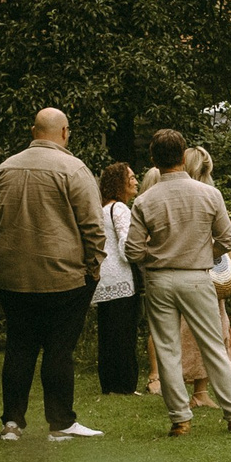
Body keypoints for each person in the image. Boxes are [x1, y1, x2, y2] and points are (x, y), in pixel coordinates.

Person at [0, 107, 106, 443]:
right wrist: (93, 267)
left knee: (19, 347)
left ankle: (12, 423)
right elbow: (93, 227)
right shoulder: (74, 169)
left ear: (32, 130)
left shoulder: (4, 169)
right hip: (63, 275)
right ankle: (60, 422)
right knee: (58, 349)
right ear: (65, 132)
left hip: (13, 276)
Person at [129, 128, 231, 434]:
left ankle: (180, 418)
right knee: (213, 346)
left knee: (168, 349)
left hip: (160, 279)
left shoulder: (145, 200)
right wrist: (203, 253)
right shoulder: (210, 194)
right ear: (183, 157)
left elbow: (132, 249)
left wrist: (154, 256)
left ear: (154, 159)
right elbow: (227, 238)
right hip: (197, 275)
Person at [93, 162, 142, 394]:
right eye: (131, 177)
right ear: (119, 183)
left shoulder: (102, 209)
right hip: (122, 278)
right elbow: (126, 246)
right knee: (124, 333)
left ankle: (108, 383)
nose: (135, 181)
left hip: (104, 280)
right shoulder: (121, 209)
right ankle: (125, 384)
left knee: (108, 333)